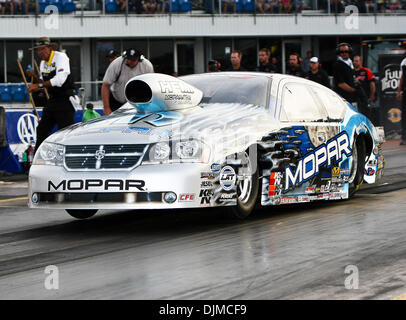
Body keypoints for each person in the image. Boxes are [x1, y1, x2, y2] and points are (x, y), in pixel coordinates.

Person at [26, 37, 76, 153]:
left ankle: (69, 158)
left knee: (65, 133)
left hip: (66, 100)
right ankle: (37, 159)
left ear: (50, 48)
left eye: (42, 49)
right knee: (41, 130)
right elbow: (45, 84)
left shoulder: (61, 57)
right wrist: (34, 77)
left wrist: (38, 86)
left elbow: (59, 80)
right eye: (38, 50)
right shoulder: (43, 63)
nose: (40, 53)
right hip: (53, 99)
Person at [102, 48, 154, 115]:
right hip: (117, 101)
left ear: (139, 59)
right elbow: (105, 85)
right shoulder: (116, 64)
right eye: (128, 59)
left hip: (138, 103)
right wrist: (106, 108)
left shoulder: (147, 66)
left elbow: (150, 87)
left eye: (133, 60)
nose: (129, 61)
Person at [397, 56, 406, 145]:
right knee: (404, 115)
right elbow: (402, 77)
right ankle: (404, 137)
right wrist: (399, 91)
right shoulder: (404, 61)